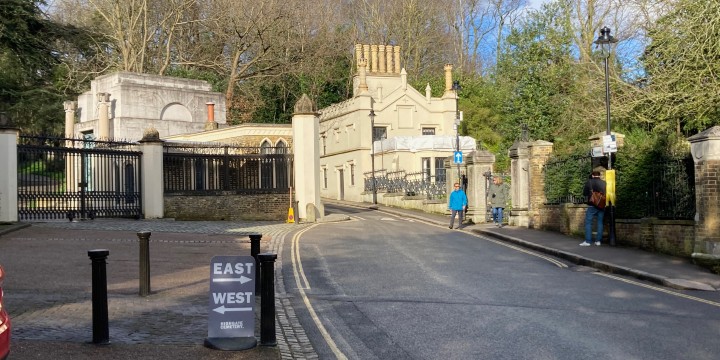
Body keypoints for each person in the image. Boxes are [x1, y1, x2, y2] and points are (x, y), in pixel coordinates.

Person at [581, 170, 606, 246]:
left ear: (592, 175)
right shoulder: (604, 183)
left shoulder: (589, 182)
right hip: (601, 205)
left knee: (588, 222)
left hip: (592, 205)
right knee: (600, 222)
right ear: (599, 175)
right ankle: (598, 241)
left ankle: (588, 241)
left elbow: (584, 193)